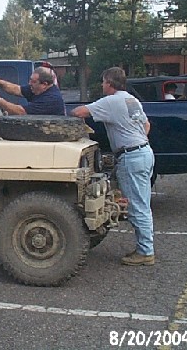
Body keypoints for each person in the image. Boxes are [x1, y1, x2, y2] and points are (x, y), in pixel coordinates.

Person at [70, 67, 155, 266]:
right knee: (140, 202)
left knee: (138, 206)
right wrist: (138, 140)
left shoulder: (111, 101)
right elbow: (147, 125)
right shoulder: (131, 100)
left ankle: (146, 252)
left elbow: (79, 112)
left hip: (131, 156)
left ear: (109, 82)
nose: (102, 85)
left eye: (103, 82)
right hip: (143, 152)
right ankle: (145, 248)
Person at [0, 66, 66, 115]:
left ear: (44, 84)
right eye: (30, 80)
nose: (29, 83)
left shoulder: (51, 99)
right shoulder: (37, 89)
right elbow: (17, 89)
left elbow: (21, 112)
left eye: (33, 81)